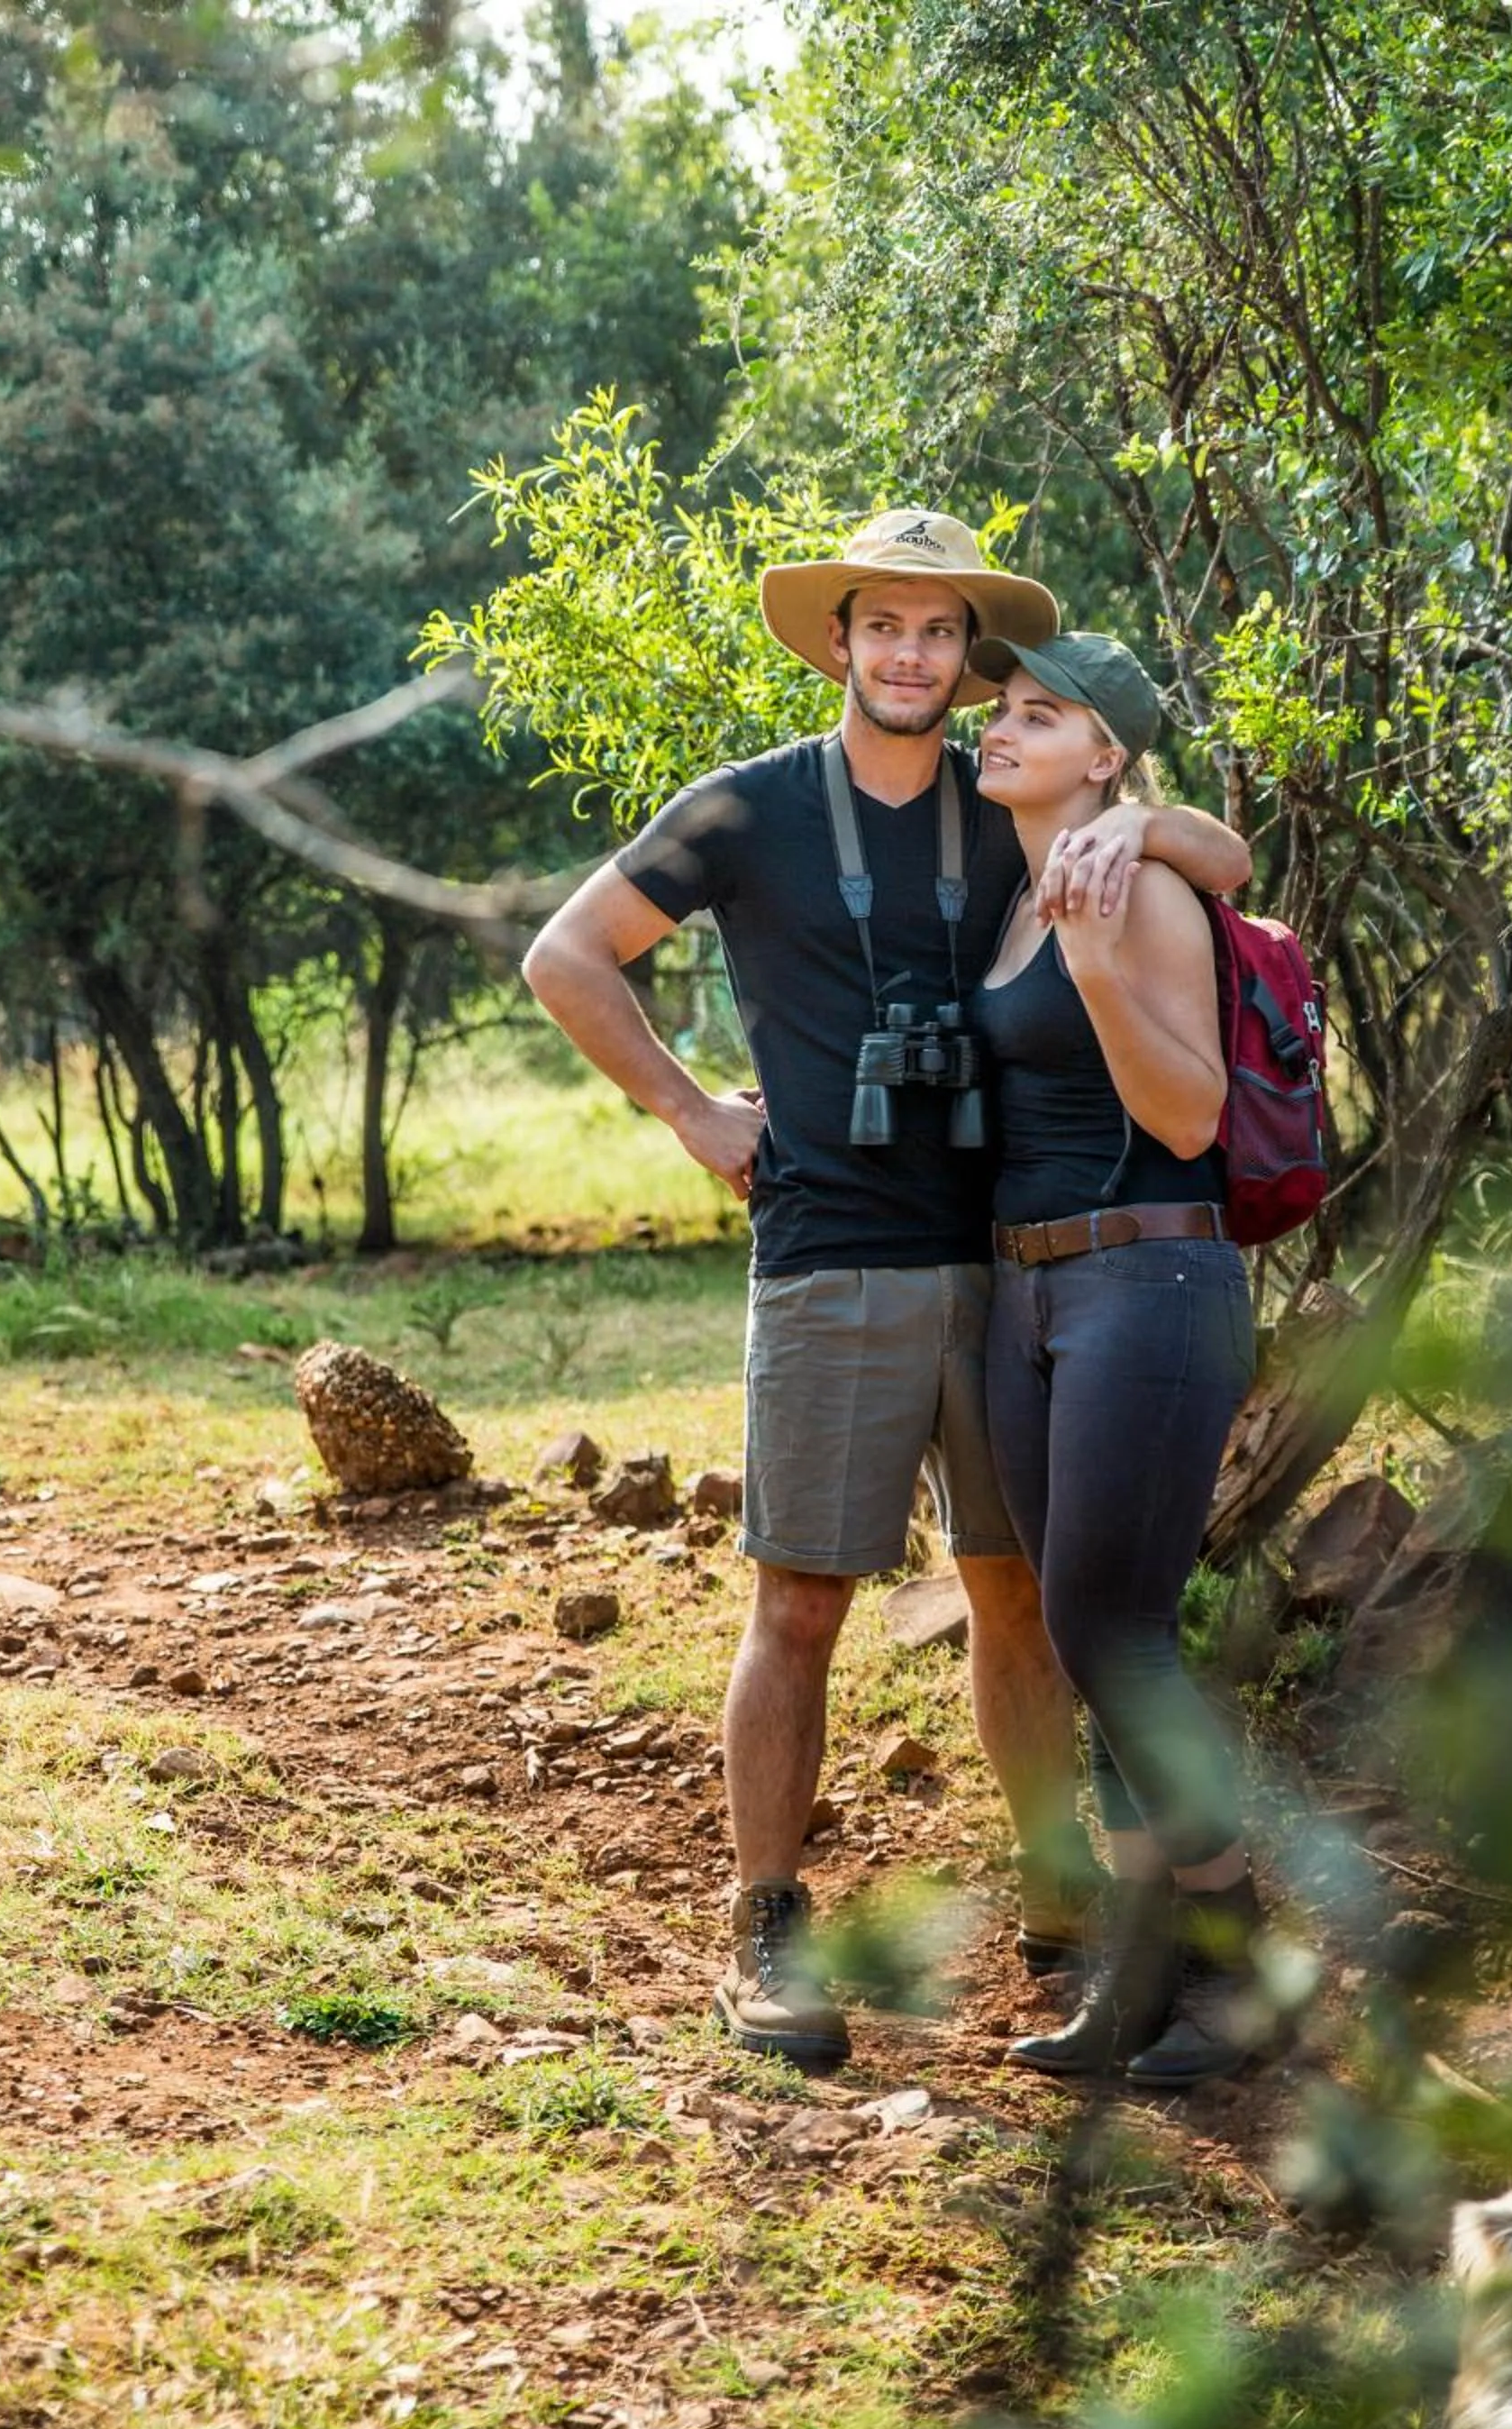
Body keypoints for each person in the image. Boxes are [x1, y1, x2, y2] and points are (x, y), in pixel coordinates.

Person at [521, 510, 1251, 2069]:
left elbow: (1199, 848)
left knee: (1020, 1606)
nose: (911, 656)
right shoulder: (746, 811)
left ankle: (1062, 1913)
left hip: (1005, 1259)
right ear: (838, 641)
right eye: (883, 628)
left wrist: (1160, 832)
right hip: (829, 1253)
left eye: (938, 633)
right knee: (800, 1600)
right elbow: (569, 957)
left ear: (959, 658)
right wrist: (695, 1113)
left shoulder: (1004, 793)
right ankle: (767, 1930)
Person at [968, 630, 1274, 2087]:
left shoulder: (1128, 886)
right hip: (1029, 1297)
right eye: (1000, 710)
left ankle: (1244, 1965)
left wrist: (1094, 961)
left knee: (1115, 1637)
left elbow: (1189, 1114)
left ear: (1108, 757)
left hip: (1148, 1277)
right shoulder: (1019, 894)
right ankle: (1149, 1987)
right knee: (1093, 1641)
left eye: (1042, 716)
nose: (1003, 728)